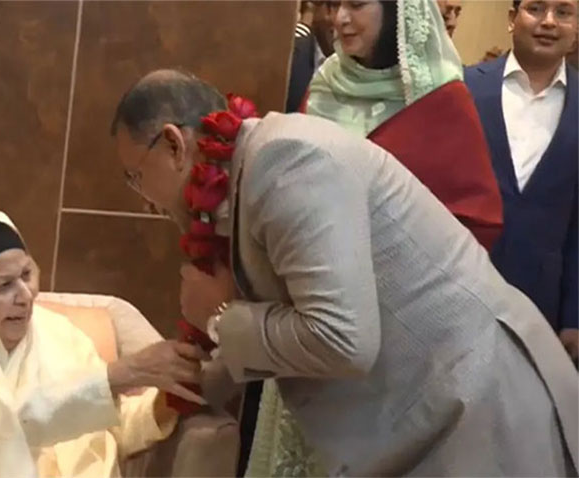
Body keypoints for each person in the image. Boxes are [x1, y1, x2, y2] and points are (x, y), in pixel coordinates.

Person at [110, 69, 578, 476]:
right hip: (434, 413)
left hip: (482, 408)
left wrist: (220, 315)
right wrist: (182, 375)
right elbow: (279, 331)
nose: (143, 200)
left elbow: (341, 337)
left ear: (174, 144)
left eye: (135, 176)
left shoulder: (283, 161)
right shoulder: (239, 181)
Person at [0, 210, 208, 477]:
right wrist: (123, 374)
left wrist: (165, 403)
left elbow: (110, 424)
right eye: (3, 286)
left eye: (26, 275)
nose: (26, 296)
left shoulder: (58, 331)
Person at [307, 0, 503, 250]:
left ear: (395, 10)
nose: (340, 18)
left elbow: (475, 221)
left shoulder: (441, 97)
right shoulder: (326, 83)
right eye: (335, 4)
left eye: (356, 4)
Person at [465, 0, 578, 360]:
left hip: (542, 308)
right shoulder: (464, 88)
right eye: (536, 8)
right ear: (512, 19)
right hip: (461, 288)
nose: (549, 22)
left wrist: (575, 315)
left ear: (577, 29)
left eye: (564, 12)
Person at [286, 1, 339, 112]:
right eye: (335, 5)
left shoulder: (369, 62)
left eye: (355, 6)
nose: (341, 18)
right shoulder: (291, 56)